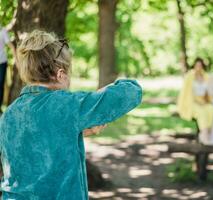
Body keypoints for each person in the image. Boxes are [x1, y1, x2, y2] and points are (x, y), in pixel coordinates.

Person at [0, 30, 142, 199]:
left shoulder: (9, 114)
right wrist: (102, 93)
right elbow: (132, 92)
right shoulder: (66, 104)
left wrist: (78, 132)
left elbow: (37, 144)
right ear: (61, 75)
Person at [177, 57, 213, 144]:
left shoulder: (206, 77)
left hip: (203, 101)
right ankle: (204, 133)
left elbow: (209, 92)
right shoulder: (189, 76)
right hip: (191, 101)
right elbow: (185, 92)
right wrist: (197, 101)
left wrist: (207, 100)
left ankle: (209, 132)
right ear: (194, 66)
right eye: (197, 65)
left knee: (211, 109)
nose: (198, 67)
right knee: (201, 112)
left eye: (200, 65)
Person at [0, 25, 17, 113]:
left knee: (0, 85)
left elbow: (11, 46)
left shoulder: (3, 31)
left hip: (2, 62)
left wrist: (16, 59)